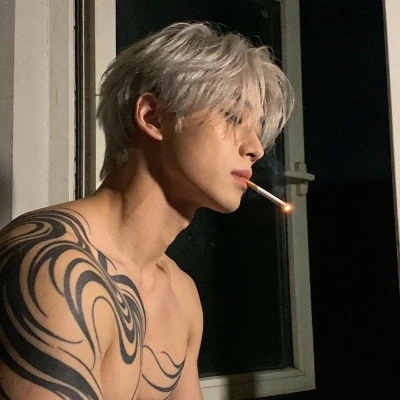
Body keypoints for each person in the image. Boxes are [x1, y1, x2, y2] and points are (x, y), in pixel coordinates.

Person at [0, 22, 293, 400]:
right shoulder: (52, 264)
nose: (256, 148)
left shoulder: (181, 296)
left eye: (258, 130)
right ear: (153, 116)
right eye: (234, 117)